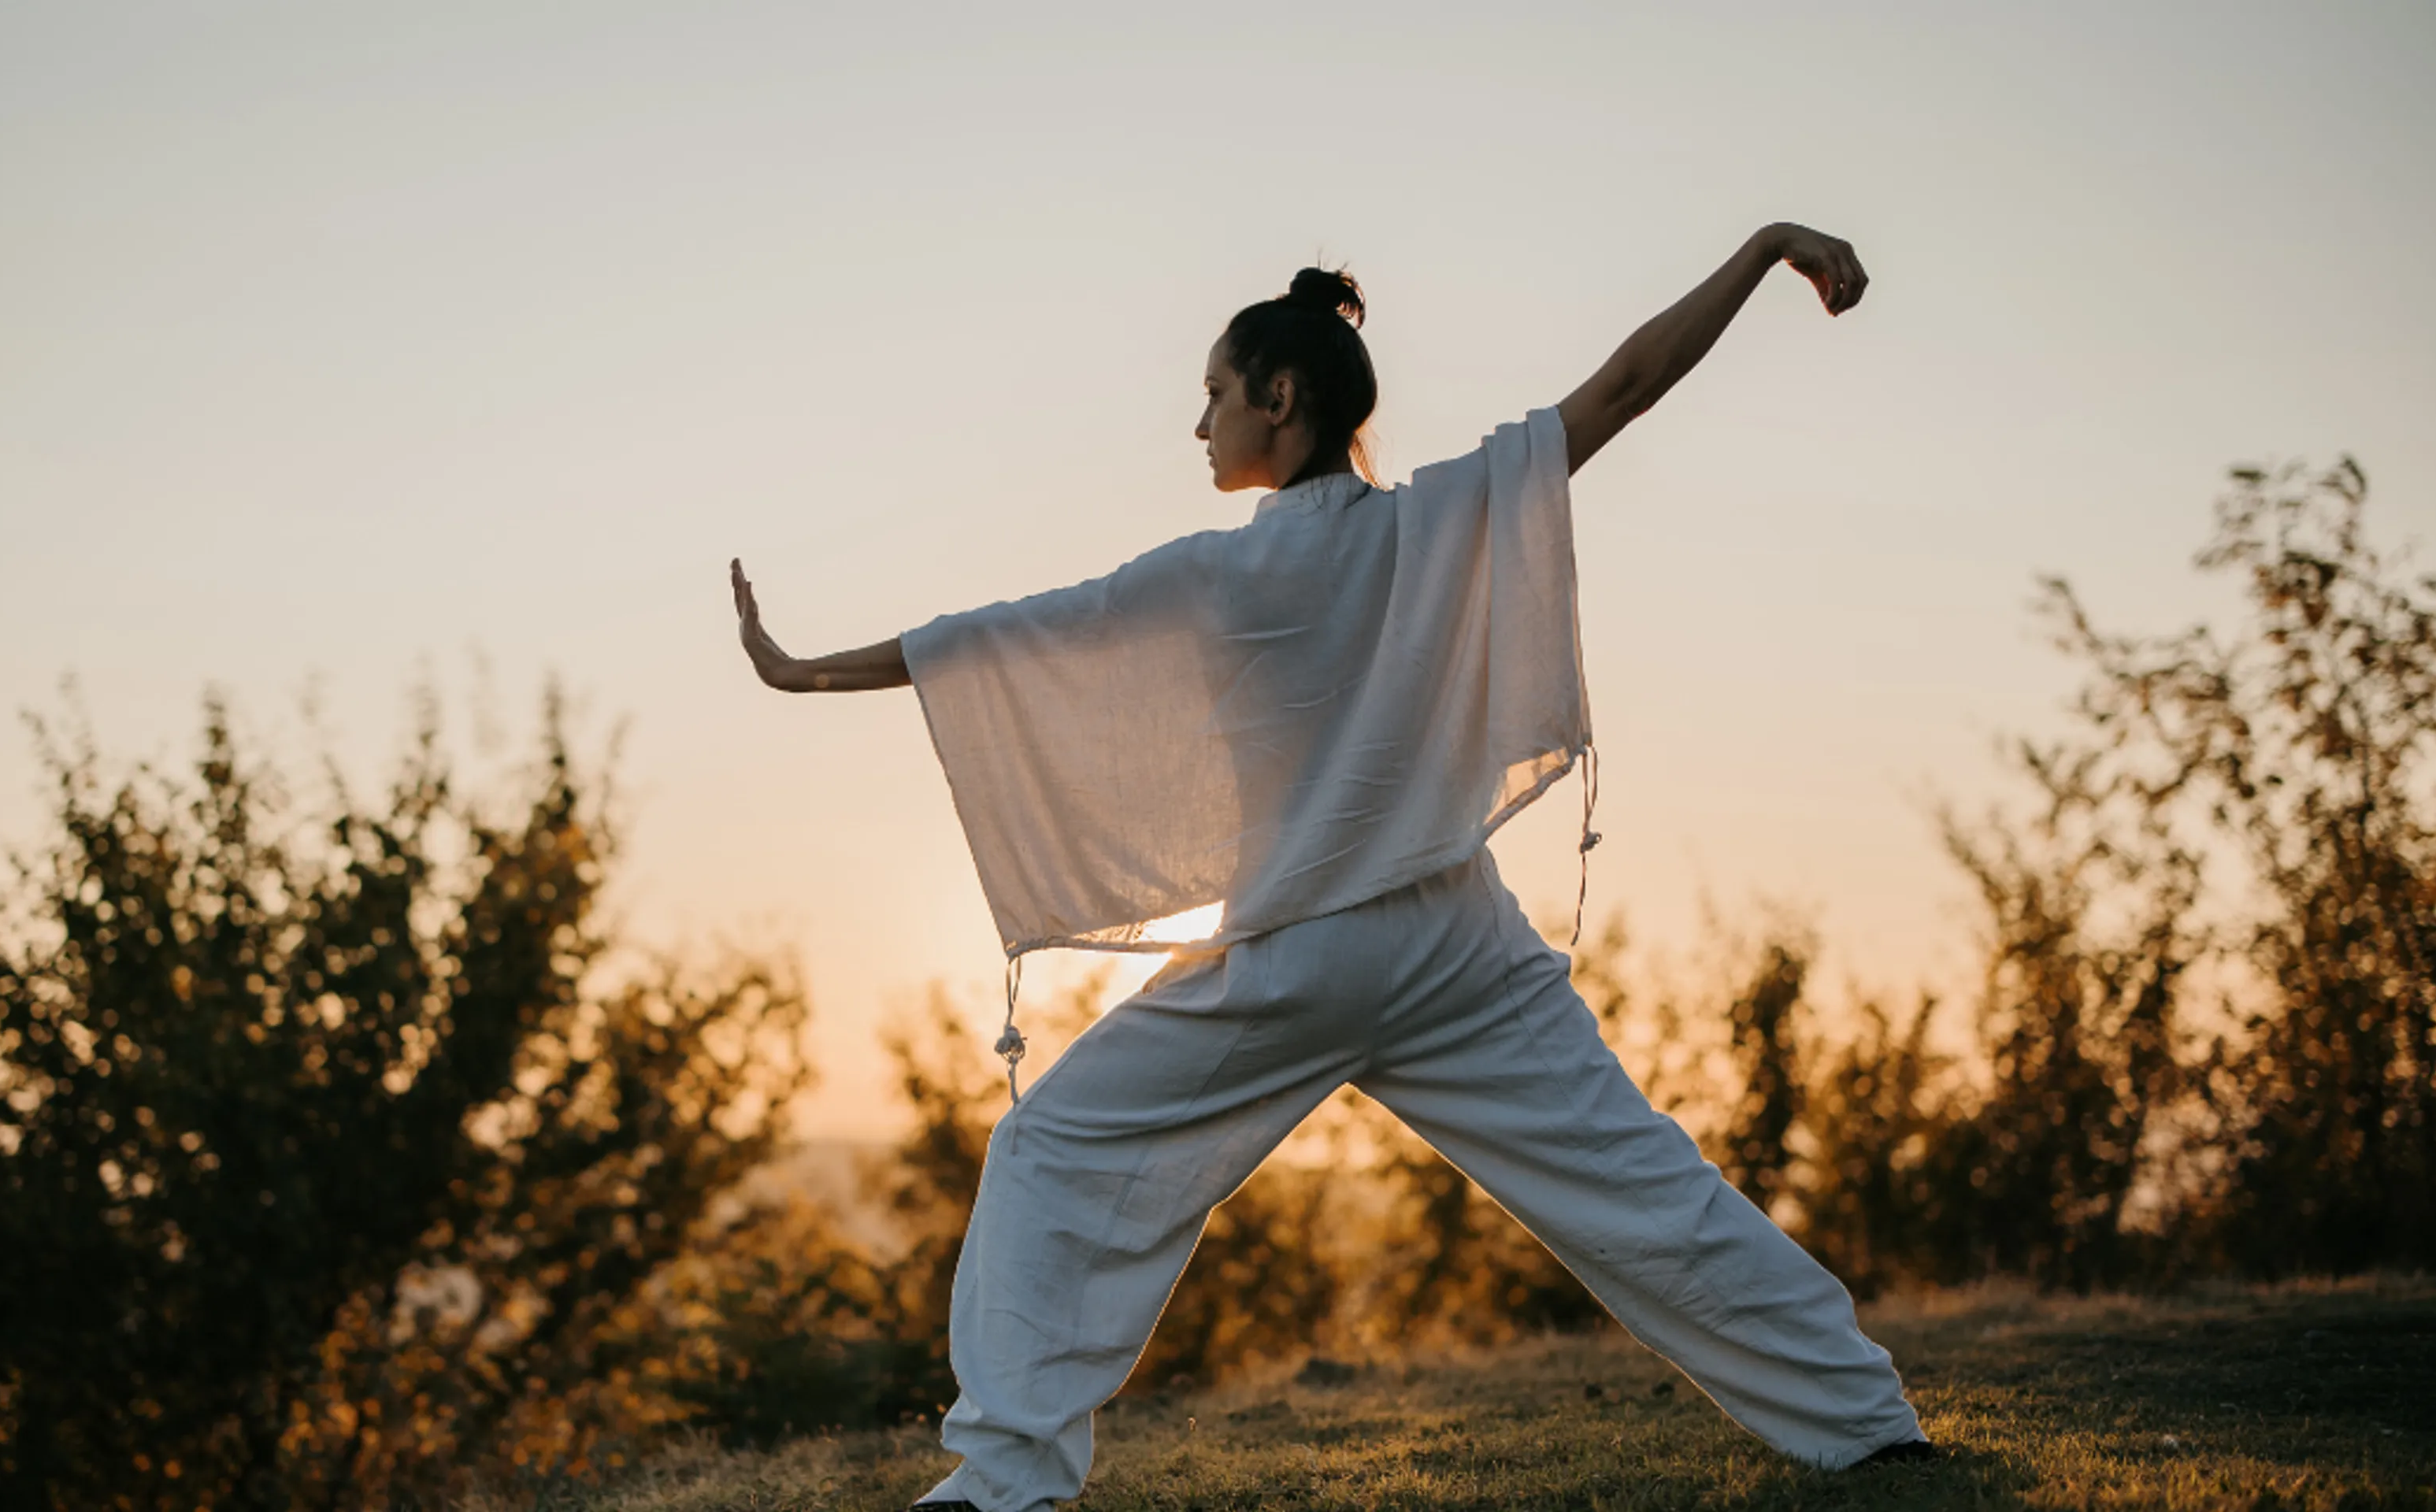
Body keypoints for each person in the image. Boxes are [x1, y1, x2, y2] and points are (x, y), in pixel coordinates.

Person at [727, 222, 1936, 1511]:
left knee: (1050, 1152)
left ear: (1280, 397)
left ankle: (1002, 1484)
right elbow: (1623, 388)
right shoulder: (1441, 521)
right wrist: (1760, 254)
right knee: (1640, 1188)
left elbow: (996, 646)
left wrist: (805, 670)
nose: (1197, 425)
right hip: (1458, 944)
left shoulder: (1218, 570)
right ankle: (1869, 1426)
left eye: (1212, 394)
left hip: (1301, 954)